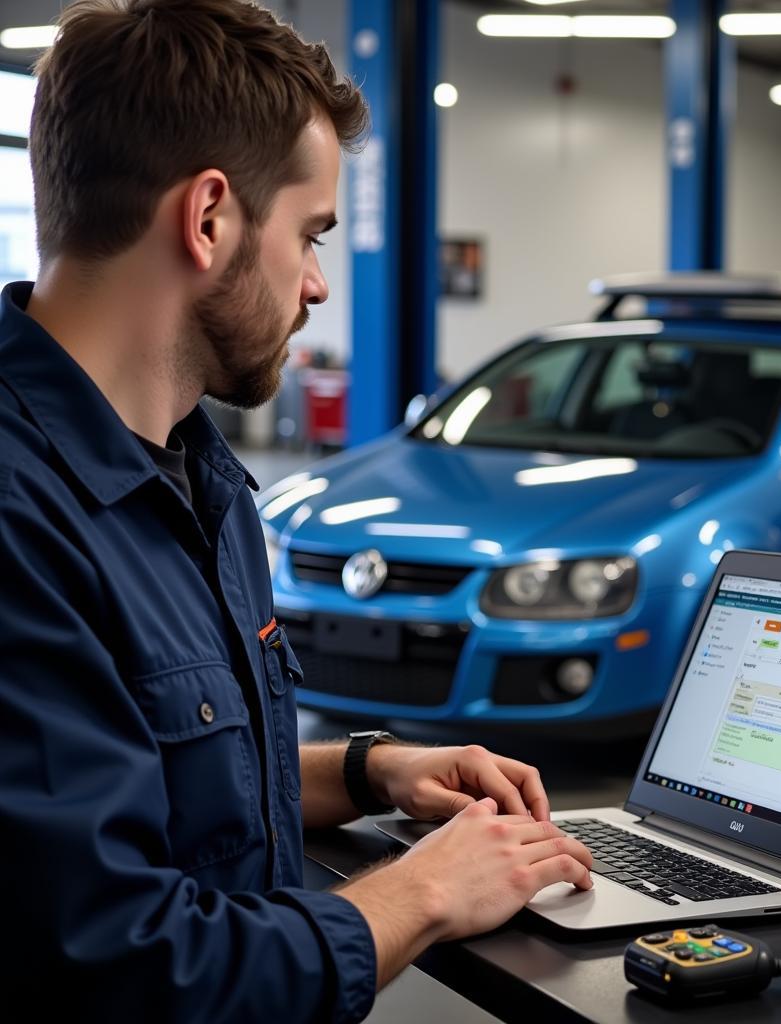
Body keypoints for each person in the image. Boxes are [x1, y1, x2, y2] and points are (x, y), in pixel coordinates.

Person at [0, 1, 593, 1020]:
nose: (318, 284)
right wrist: (425, 887)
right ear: (209, 218)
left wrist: (372, 770)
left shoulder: (200, 483)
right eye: (311, 235)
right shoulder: (22, 519)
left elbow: (168, 781)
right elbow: (124, 964)